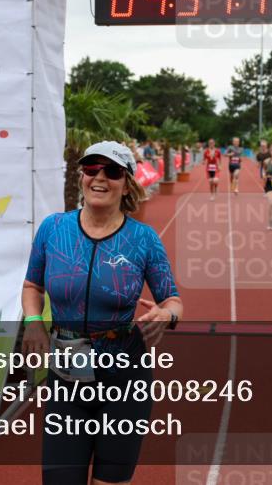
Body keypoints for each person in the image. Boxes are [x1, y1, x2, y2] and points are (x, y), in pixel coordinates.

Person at [22, 141, 182, 485]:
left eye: (111, 171)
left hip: (124, 378)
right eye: (91, 169)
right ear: (82, 176)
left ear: (127, 183)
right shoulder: (53, 229)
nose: (99, 177)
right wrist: (34, 322)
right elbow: (32, 287)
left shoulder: (144, 239)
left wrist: (167, 315)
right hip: (66, 379)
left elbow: (172, 299)